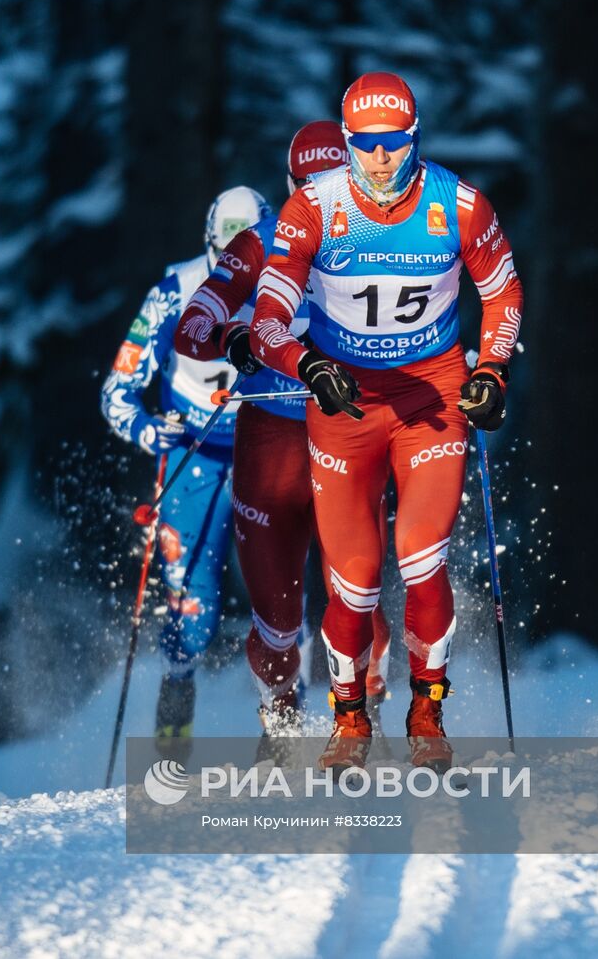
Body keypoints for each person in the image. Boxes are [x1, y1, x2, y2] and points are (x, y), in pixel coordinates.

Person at [248, 72, 524, 773]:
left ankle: (426, 705)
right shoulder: (312, 209)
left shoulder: (458, 205)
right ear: (345, 144)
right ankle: (350, 716)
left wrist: (491, 370)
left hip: (431, 397)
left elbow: (504, 292)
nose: (379, 160)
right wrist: (306, 365)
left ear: (415, 138)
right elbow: (268, 322)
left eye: (393, 144)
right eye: (364, 145)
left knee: (423, 555)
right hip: (344, 406)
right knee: (356, 580)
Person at [173, 121, 393, 741]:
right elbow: (191, 326)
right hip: (270, 438)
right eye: (310, 184)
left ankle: (364, 711)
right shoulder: (260, 242)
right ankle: (280, 712)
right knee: (276, 619)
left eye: (335, 182)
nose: (323, 195)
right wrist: (233, 336)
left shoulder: (388, 239)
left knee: (358, 595)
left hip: (350, 432)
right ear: (291, 184)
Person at [101, 186, 269, 750]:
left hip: (262, 453)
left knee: (283, 600)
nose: (237, 270)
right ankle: (173, 729)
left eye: (250, 253)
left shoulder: (291, 287)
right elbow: (117, 392)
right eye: (227, 255)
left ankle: (289, 729)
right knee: (192, 620)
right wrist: (150, 430)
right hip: (191, 459)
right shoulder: (174, 291)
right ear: (209, 245)